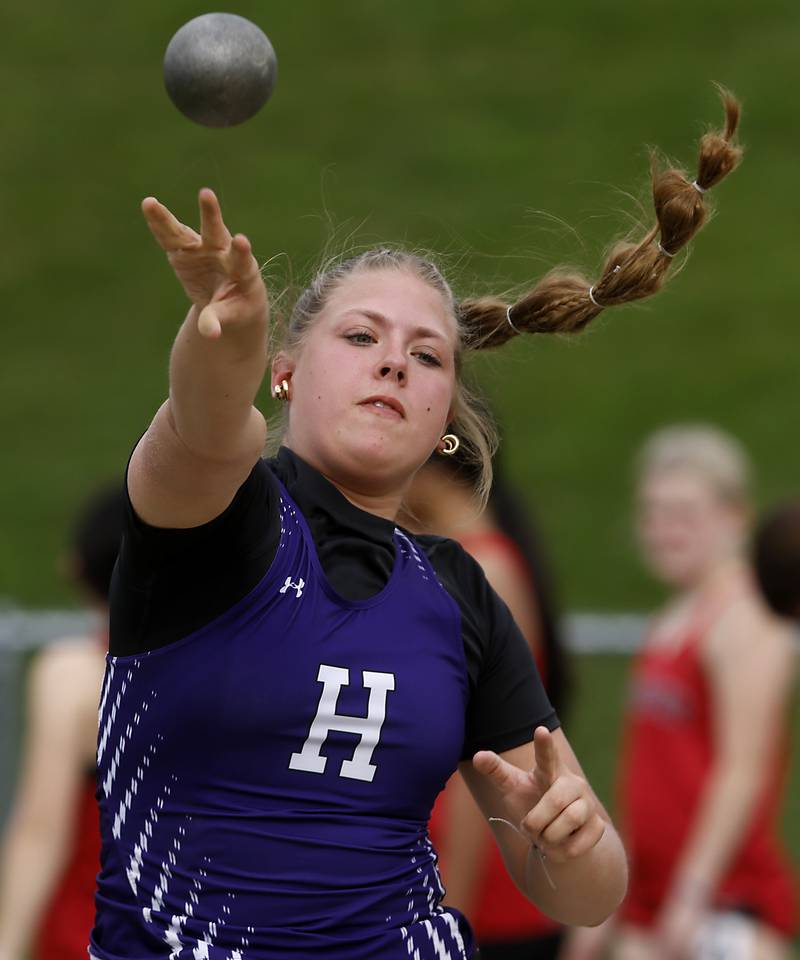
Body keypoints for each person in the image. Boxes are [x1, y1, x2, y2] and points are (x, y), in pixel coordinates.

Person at [90, 92, 741, 960]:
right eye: (361, 337)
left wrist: (575, 842)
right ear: (284, 372)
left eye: (427, 355)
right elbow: (209, 423)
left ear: (444, 420)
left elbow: (587, 893)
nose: (395, 360)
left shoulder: (458, 591)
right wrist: (223, 339)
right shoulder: (216, 519)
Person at [566, 426, 797, 960]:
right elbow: (647, 778)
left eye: (683, 514)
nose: (663, 530)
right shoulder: (672, 621)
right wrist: (611, 894)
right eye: (653, 513)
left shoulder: (745, 615)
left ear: (734, 516)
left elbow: (744, 768)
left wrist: (692, 892)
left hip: (718, 903)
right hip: (655, 900)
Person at [405, 450, 571, 959]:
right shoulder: (468, 559)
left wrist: (449, 913)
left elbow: (482, 760)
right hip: (458, 887)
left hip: (483, 900)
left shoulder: (480, 568)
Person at [0, 485, 126, 960]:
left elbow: (40, 828)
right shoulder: (233, 670)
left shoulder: (75, 675)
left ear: (75, 570)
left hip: (89, 939)